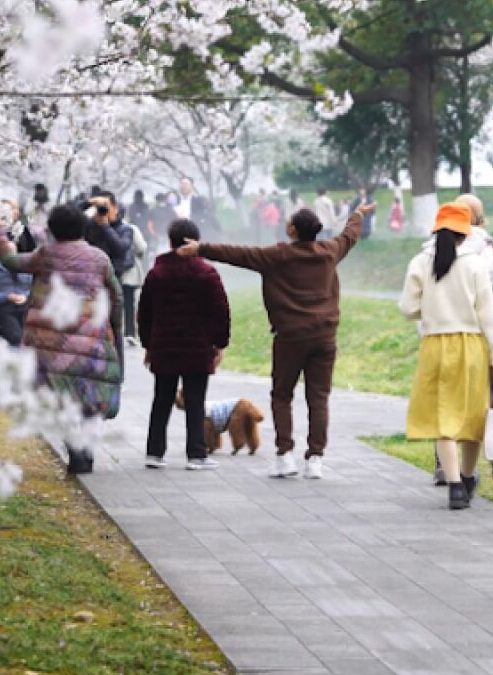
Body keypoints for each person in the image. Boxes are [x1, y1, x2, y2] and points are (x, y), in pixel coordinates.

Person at [177, 203, 375, 479]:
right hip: (325, 337)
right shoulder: (329, 251)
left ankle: (285, 456)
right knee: (318, 399)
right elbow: (350, 236)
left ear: (292, 229)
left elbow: (238, 254)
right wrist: (359, 215)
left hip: (290, 338)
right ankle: (315, 458)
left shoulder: (277, 256)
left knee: (282, 395)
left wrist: (202, 249)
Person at [0, 204, 123, 475]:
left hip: (53, 345)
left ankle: (77, 453)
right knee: (88, 396)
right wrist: (116, 327)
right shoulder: (100, 259)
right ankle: (84, 452)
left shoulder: (46, 255)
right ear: (83, 228)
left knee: (63, 397)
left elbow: (10, 261)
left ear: (53, 229)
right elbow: (117, 296)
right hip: (91, 339)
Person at [399, 203, 493, 510]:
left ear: (436, 229)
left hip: (434, 345)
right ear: (465, 233)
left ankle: (454, 485)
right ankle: (469, 476)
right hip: (472, 345)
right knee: (473, 414)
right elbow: (488, 317)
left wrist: (431, 310)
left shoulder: (420, 262)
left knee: (443, 415)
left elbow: (407, 308)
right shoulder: (474, 265)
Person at [429, 194, 493, 484]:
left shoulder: (430, 249)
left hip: (441, 337)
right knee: (486, 398)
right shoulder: (489, 249)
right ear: (480, 218)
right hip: (480, 336)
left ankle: (445, 466)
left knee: (445, 401)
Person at [139, 218, 230, 471]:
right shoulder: (207, 273)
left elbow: (144, 312)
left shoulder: (156, 273)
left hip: (164, 346)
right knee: (195, 399)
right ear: (195, 242)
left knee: (162, 398)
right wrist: (219, 343)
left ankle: (154, 452)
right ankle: (196, 454)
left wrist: (148, 344)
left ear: (170, 242)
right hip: (198, 346)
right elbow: (220, 310)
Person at [0, 258, 32, 347]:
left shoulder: (25, 269)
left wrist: (26, 296)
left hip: (24, 305)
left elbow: (33, 288)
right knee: (15, 336)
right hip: (3, 308)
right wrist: (7, 296)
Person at [120, 217, 148, 347]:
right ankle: (129, 332)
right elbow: (141, 247)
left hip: (111, 270)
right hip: (128, 271)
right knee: (128, 302)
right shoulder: (131, 228)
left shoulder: (101, 226)